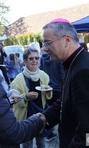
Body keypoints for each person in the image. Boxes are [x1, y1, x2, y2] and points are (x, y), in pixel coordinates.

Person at [42, 18, 89, 148]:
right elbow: (65, 102)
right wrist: (44, 118)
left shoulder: (83, 71)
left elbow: (87, 131)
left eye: (47, 43)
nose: (44, 49)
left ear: (67, 40)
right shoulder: (72, 63)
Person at [11, 47, 53, 148]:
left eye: (37, 58)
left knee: (42, 143)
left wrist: (48, 90)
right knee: (27, 145)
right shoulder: (18, 80)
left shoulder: (44, 76)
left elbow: (48, 97)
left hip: (40, 114)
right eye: (31, 58)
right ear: (25, 60)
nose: (34, 61)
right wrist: (25, 96)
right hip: (25, 117)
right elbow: (14, 101)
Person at [40, 51, 64, 141]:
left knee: (50, 109)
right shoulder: (58, 59)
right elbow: (63, 75)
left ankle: (48, 133)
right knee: (60, 112)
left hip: (48, 89)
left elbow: (41, 72)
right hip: (58, 89)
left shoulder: (42, 59)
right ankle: (56, 132)